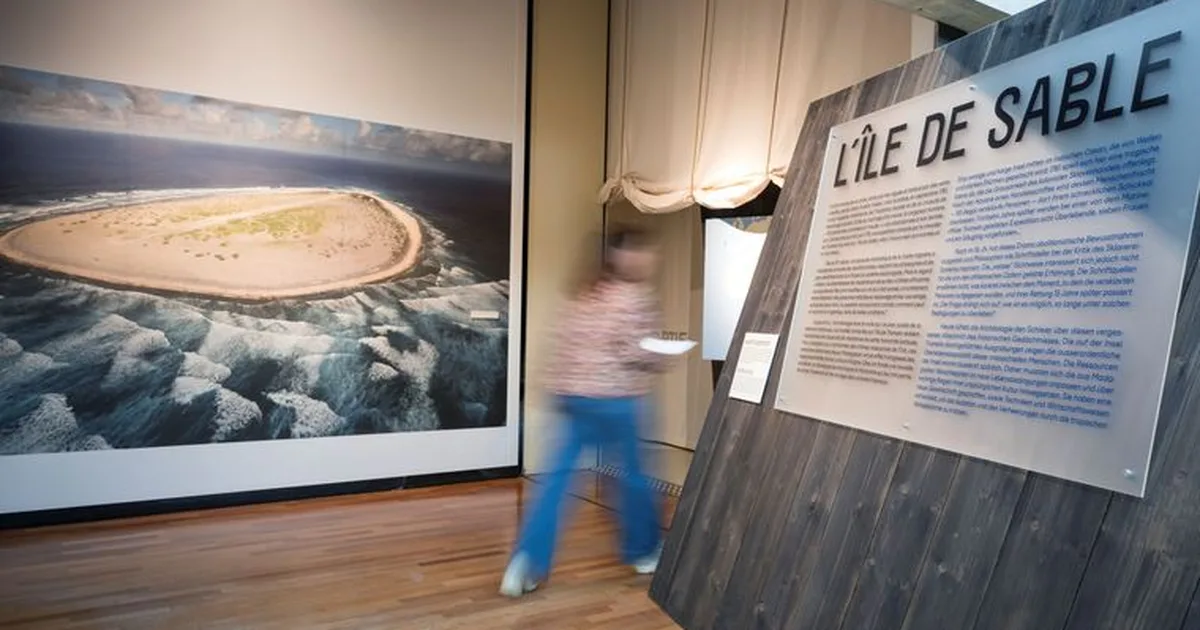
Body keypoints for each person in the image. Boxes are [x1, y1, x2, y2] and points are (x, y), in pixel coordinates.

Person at [500, 226, 673, 598]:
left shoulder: (584, 293)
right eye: (643, 251)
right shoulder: (634, 295)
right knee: (635, 478)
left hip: (572, 398)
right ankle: (643, 551)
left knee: (558, 484)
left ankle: (525, 562)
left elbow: (561, 348)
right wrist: (664, 355)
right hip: (619, 400)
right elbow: (637, 351)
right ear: (621, 255)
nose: (649, 259)